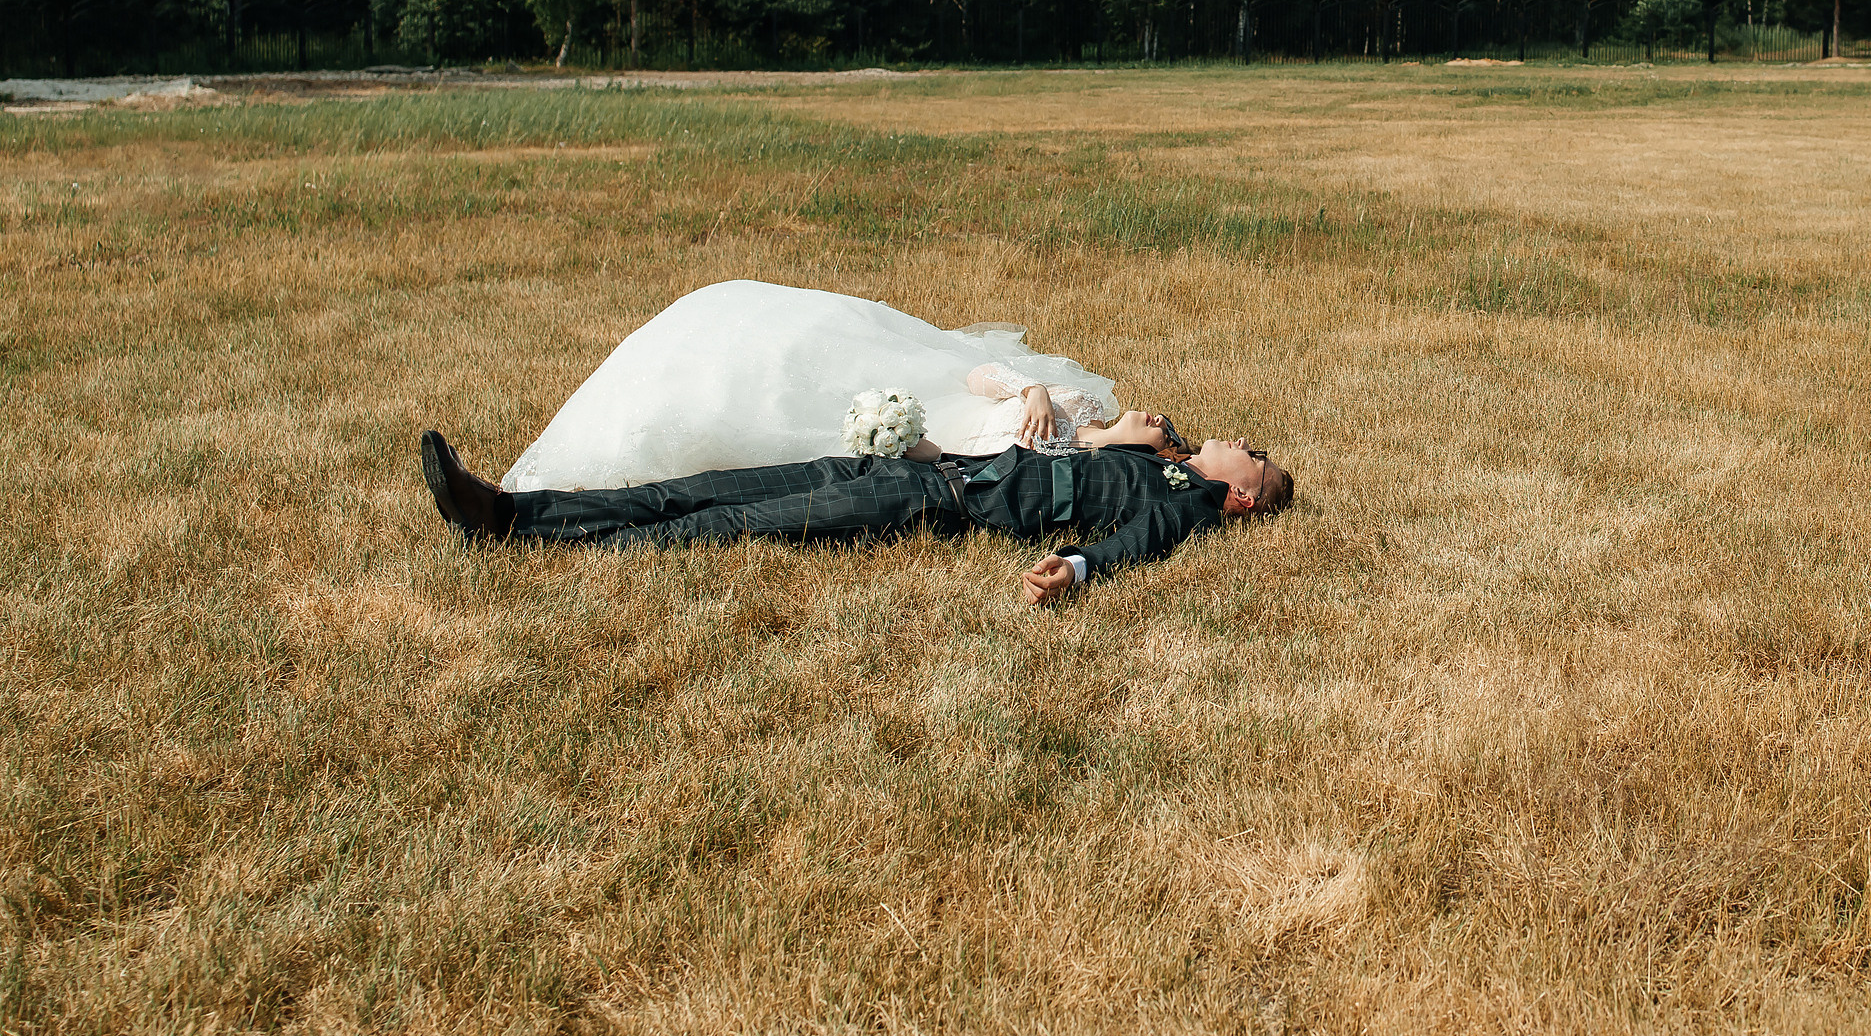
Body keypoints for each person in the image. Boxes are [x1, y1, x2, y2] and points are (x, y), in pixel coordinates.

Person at [420, 429, 1294, 606]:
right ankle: (509, 506)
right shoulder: (1161, 457)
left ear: (1243, 495)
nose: (1237, 439)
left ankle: (518, 536)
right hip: (911, 466)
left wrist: (1077, 565)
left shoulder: (1188, 507)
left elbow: (1136, 541)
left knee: (726, 527)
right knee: (705, 486)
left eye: (1248, 452)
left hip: (928, 503)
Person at [497, 280, 1152, 493]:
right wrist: (1030, 387)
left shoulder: (1065, 469)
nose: (1157, 417)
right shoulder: (1081, 405)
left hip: (921, 438)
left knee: (761, 408)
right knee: (803, 339)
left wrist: (913, 444)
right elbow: (973, 373)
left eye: (1163, 432)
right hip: (930, 385)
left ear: (1138, 454)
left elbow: (965, 471)